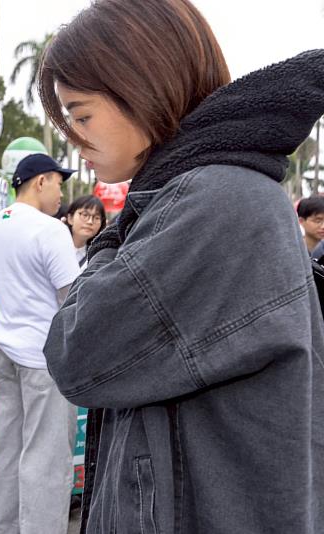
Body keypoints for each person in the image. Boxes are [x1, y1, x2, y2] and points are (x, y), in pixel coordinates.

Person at [39, 1, 324, 532]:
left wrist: (107, 243)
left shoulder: (214, 200)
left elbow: (78, 352)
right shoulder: (208, 191)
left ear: (144, 86)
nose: (75, 142)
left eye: (82, 115)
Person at [0, 153, 80, 534]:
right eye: (58, 182)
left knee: (7, 446)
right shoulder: (50, 229)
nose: (61, 192)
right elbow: (70, 296)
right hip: (45, 355)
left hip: (5, 349)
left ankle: (3, 527)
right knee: (47, 457)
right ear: (40, 181)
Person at [64, 195, 106, 267]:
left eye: (96, 217)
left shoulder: (97, 257)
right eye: (85, 215)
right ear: (70, 218)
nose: (90, 221)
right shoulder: (54, 247)